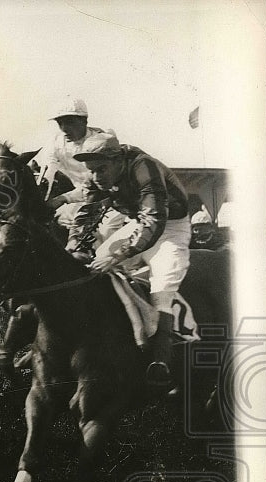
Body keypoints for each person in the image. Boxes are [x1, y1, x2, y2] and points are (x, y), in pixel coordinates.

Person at [68, 131, 192, 386]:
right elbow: (88, 209)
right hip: (139, 221)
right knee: (97, 261)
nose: (95, 177)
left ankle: (161, 359)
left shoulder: (144, 167)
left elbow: (155, 220)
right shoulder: (98, 171)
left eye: (101, 169)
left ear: (119, 161)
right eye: (91, 170)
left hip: (170, 225)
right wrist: (74, 242)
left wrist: (118, 256)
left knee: (163, 284)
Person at [42, 98, 106, 228]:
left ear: (84, 121)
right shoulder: (56, 141)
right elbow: (48, 172)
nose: (64, 129)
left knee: (100, 235)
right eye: (60, 123)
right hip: (78, 198)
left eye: (69, 122)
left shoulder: (100, 141)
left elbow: (96, 185)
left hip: (105, 199)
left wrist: (62, 199)